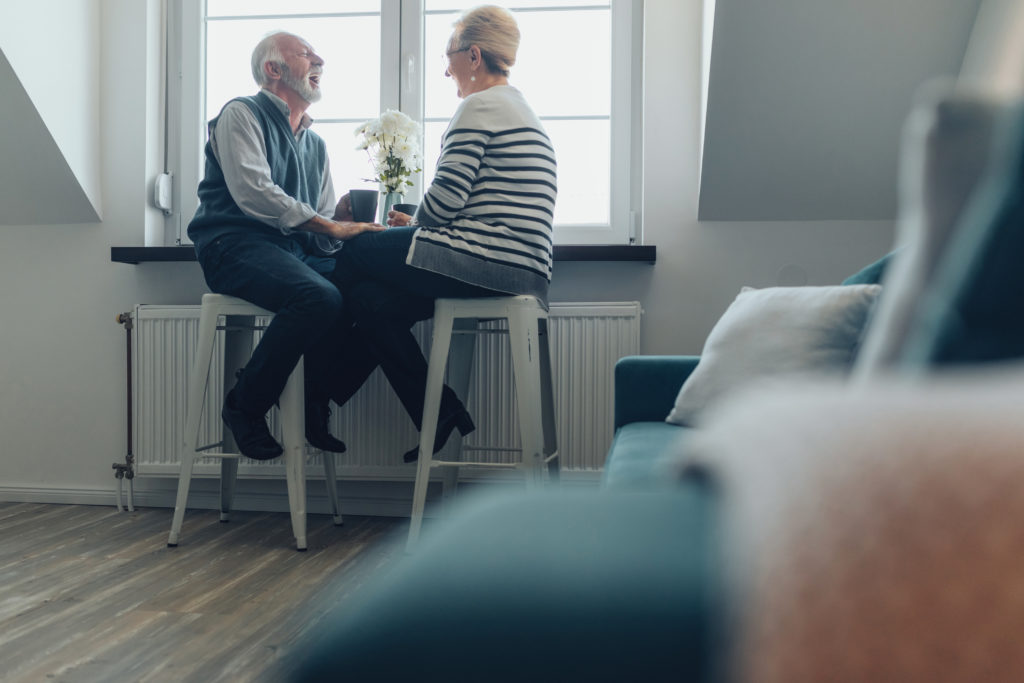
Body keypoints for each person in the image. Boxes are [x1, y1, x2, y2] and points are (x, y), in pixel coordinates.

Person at [330, 5, 557, 462]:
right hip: (523, 269)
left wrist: (413, 224)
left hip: (485, 258)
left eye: (448, 55)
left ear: (474, 56)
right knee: (373, 303)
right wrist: (418, 227)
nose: (444, 69)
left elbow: (446, 202)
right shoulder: (521, 110)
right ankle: (440, 413)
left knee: (355, 253)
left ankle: (314, 388)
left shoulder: (479, 106)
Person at [187, 31, 384, 461]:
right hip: (231, 242)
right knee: (317, 296)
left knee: (377, 297)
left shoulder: (315, 144)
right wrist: (329, 227)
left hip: (290, 252)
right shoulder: (240, 113)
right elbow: (254, 193)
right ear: (273, 70)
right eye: (306, 55)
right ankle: (245, 405)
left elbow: (319, 228)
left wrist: (341, 220)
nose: (320, 61)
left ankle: (317, 396)